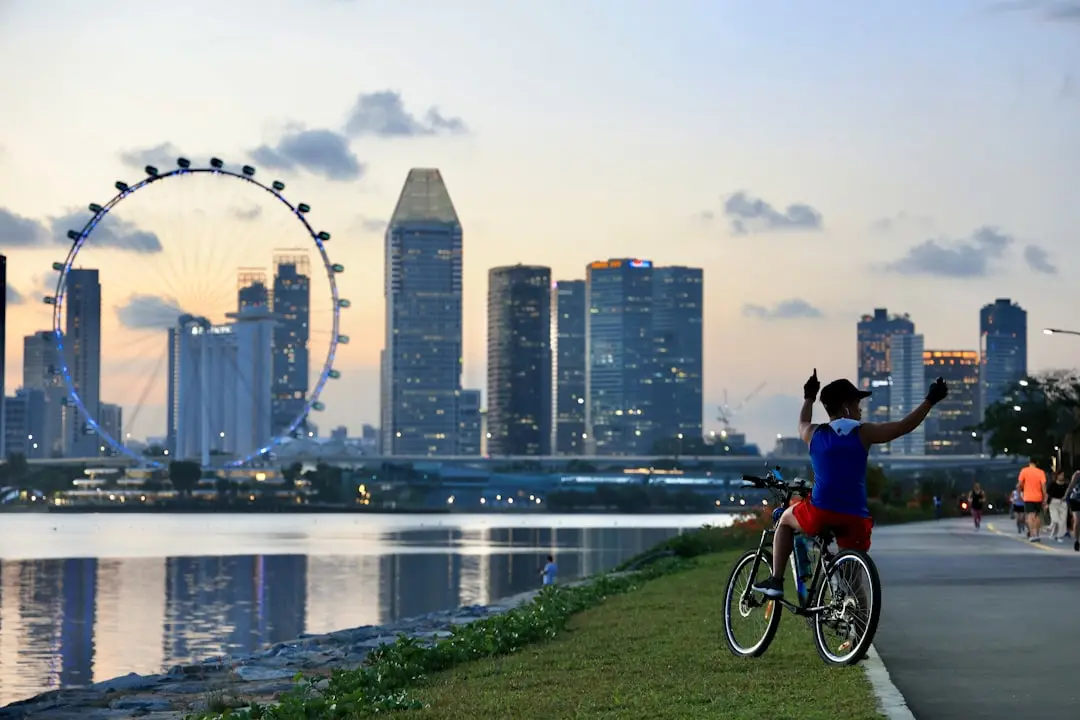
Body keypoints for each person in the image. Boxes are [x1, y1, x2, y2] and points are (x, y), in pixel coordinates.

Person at [752, 369, 948, 599]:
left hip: (821, 511)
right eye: (857, 403)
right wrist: (930, 400)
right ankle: (860, 634)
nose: (860, 408)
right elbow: (903, 427)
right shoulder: (863, 433)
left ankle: (776, 581)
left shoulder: (815, 433)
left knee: (785, 520)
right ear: (846, 407)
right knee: (854, 583)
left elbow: (802, 422)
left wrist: (809, 397)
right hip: (854, 516)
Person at [1017, 459, 1047, 542]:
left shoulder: (1024, 471)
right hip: (1038, 497)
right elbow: (1043, 486)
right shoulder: (1041, 472)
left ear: (1029, 463)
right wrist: (1045, 496)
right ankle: (1037, 534)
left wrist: (1019, 493)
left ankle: (1032, 534)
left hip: (1028, 497)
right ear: (1037, 463)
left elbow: (1019, 484)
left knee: (1030, 516)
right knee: (1037, 516)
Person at [1046, 470, 1069, 542]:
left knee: (1062, 521)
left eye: (1063, 475)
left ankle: (1058, 536)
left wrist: (1065, 496)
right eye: (1060, 475)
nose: (1062, 476)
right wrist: (1046, 503)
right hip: (1053, 502)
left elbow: (1068, 492)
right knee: (1055, 519)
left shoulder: (1066, 485)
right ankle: (1050, 527)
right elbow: (1047, 494)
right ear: (1057, 476)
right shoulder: (1052, 484)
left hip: (1063, 503)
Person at [1065, 471, 1080, 552]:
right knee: (1077, 520)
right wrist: (1066, 495)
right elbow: (1071, 485)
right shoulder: (1077, 474)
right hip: (1076, 499)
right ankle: (1077, 541)